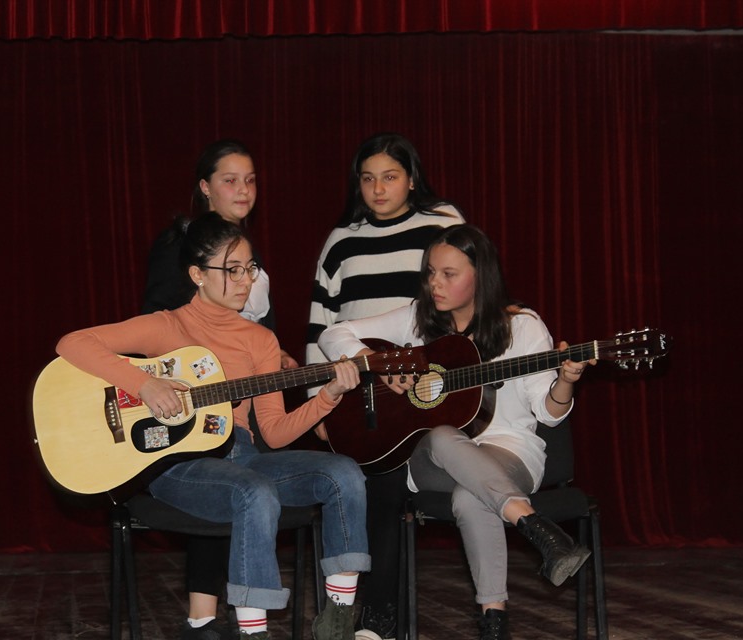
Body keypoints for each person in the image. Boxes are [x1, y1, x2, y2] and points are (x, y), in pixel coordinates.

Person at [58, 213, 371, 640]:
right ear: (198, 275)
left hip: (243, 455)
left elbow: (274, 432)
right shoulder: (167, 325)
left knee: (344, 473)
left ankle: (338, 620)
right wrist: (145, 384)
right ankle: (253, 633)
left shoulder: (260, 340)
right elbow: (72, 343)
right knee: (253, 492)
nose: (245, 281)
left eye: (250, 268)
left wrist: (328, 395)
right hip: (178, 464)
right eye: (232, 270)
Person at [318, 224, 594, 640]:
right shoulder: (417, 320)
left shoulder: (523, 328)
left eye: (449, 274)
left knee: (470, 497)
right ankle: (536, 527)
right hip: (434, 460)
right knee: (443, 435)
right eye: (431, 272)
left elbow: (549, 413)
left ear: (481, 276)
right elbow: (332, 334)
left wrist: (566, 381)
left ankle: (494, 624)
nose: (435, 284)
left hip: (508, 453)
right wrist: (377, 362)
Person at [305, 132, 464, 639]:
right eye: (368, 178)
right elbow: (320, 324)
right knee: (370, 484)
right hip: (357, 390)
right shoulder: (341, 240)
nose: (377, 189)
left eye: (390, 177)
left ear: (411, 179)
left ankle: (377, 615)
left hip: (424, 389)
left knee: (389, 484)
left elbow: (465, 300)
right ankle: (368, 615)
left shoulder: (442, 223)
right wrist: (316, 407)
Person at [142, 139, 298, 640]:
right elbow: (161, 321)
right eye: (230, 180)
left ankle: (215, 617)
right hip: (194, 398)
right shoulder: (183, 245)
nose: (243, 189)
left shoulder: (245, 249)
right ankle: (204, 618)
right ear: (205, 188)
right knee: (225, 476)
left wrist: (278, 357)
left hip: (247, 396)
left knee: (244, 480)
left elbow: (255, 328)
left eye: (250, 180)